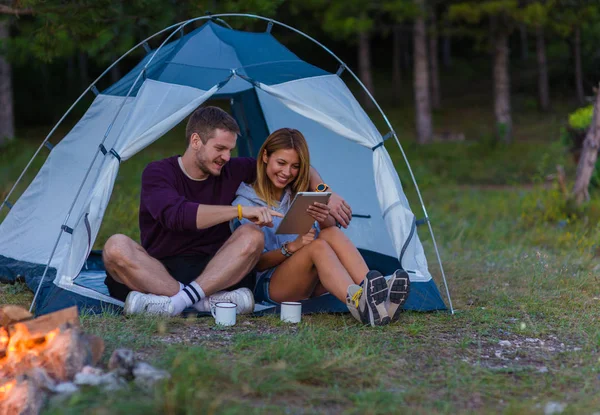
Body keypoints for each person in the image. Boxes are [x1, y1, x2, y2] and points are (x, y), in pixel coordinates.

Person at [102, 106, 353, 316]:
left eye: (230, 150)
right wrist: (240, 211)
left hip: (220, 269)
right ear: (196, 141)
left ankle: (174, 303)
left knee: (252, 235)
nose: (226, 156)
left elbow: (294, 165)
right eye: (220, 148)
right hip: (161, 270)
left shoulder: (231, 168)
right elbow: (178, 216)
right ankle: (199, 301)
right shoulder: (158, 173)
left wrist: (324, 190)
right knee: (115, 246)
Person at [231, 128, 411, 326]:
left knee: (330, 232)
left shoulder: (297, 194)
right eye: (281, 163)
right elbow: (255, 264)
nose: (287, 172)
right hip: (270, 284)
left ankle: (374, 295)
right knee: (317, 247)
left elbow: (327, 231)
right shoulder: (246, 203)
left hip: (312, 275)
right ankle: (362, 304)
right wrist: (293, 247)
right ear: (265, 156)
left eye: (295, 166)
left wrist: (324, 215)